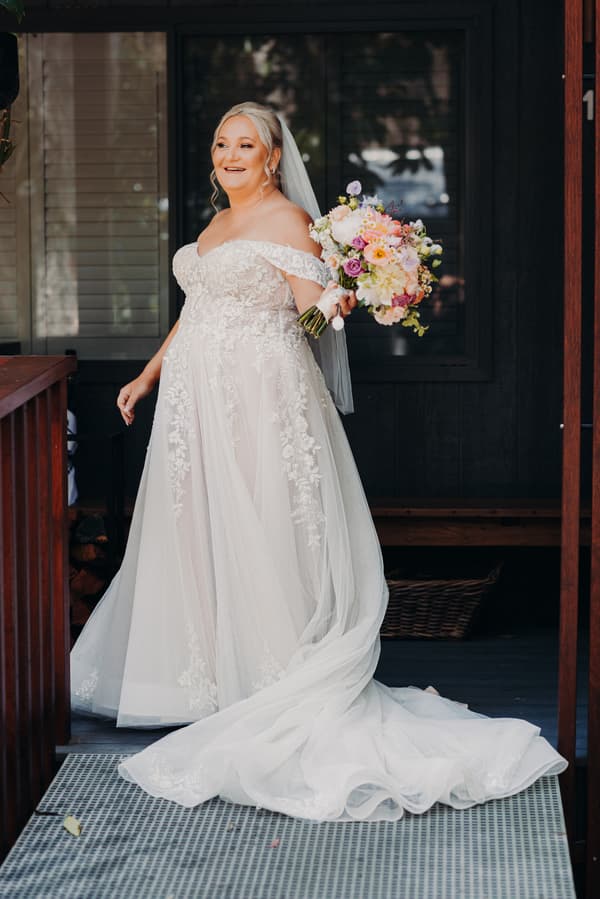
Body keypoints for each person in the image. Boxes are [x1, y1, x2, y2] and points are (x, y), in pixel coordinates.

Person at [71, 101, 567, 822]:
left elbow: (312, 317)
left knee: (263, 526)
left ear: (273, 157)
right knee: (198, 530)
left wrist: (344, 294)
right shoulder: (216, 222)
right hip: (195, 404)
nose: (231, 154)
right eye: (222, 143)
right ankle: (201, 679)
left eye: (247, 145)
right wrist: (148, 376)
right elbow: (198, 307)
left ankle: (269, 672)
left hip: (260, 397)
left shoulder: (286, 219)